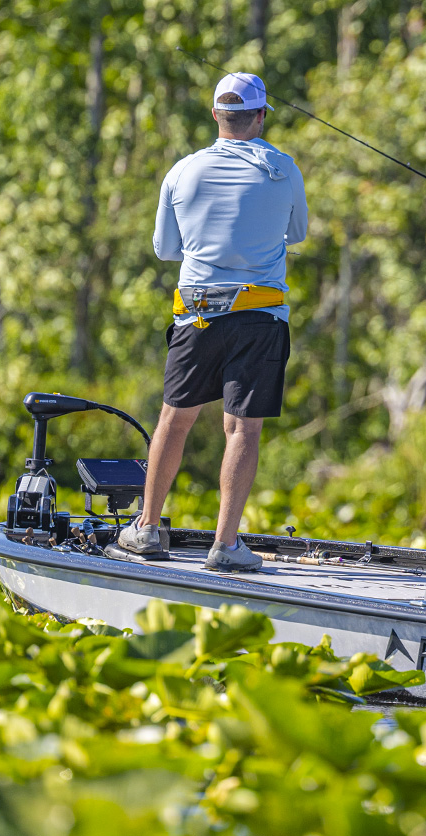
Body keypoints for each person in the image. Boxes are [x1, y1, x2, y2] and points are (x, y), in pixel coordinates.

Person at [117, 72, 308, 571]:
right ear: (261, 117)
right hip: (261, 315)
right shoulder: (283, 169)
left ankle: (146, 529)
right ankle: (225, 546)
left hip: (196, 315)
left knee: (174, 420)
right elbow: (298, 233)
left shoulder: (181, 172)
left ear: (216, 116)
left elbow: (165, 250)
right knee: (242, 430)